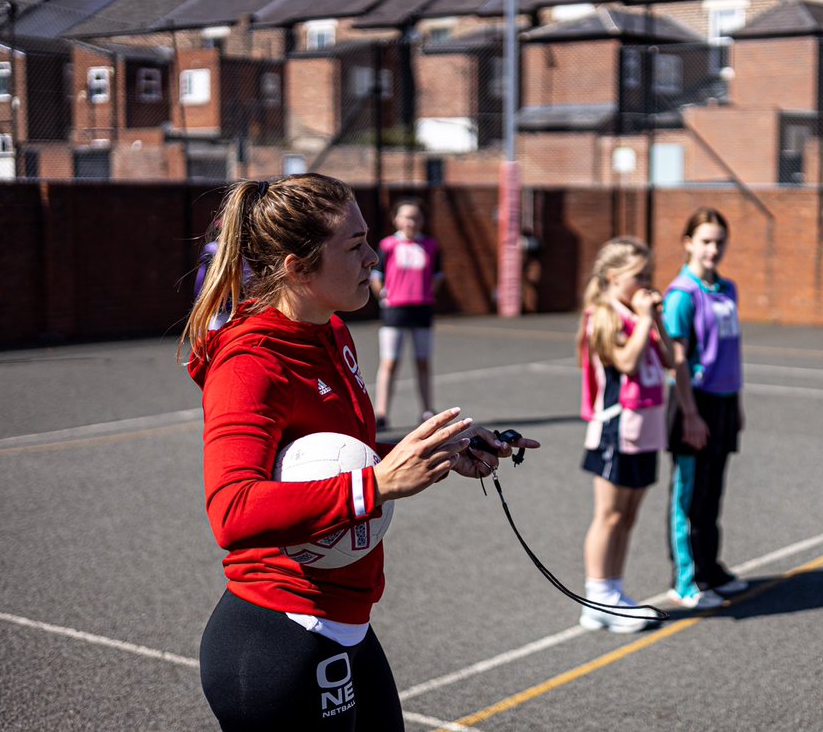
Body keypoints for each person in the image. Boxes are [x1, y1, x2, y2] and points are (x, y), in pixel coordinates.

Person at [180, 175, 536, 731]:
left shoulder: (333, 331)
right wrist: (378, 484)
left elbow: (342, 452)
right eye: (354, 246)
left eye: (369, 239)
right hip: (280, 632)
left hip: (345, 623)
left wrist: (437, 450)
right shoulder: (251, 366)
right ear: (298, 267)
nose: (374, 256)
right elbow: (233, 510)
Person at [577, 237, 675, 633]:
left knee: (629, 516)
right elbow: (626, 362)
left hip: (646, 430)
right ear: (615, 277)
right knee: (609, 515)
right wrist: (646, 319)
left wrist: (657, 320)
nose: (649, 282)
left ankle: (613, 592)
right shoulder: (602, 314)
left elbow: (670, 359)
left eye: (651, 274)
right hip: (616, 429)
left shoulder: (638, 313)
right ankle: (596, 596)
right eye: (641, 276)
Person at [663, 207, 750, 610]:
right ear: (689, 243)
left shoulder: (727, 289)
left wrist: (737, 402)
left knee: (713, 492)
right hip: (692, 404)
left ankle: (710, 568)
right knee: (689, 495)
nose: (713, 249)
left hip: (724, 403)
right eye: (706, 241)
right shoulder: (681, 294)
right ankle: (685, 580)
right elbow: (677, 360)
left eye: (719, 241)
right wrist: (691, 413)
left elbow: (729, 353)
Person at [370, 199, 443, 431]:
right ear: (397, 219)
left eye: (416, 217)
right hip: (395, 311)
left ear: (422, 220)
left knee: (423, 362)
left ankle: (427, 409)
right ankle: (381, 413)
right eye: (407, 217)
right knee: (390, 362)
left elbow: (437, 276)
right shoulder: (388, 245)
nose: (411, 222)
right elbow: (376, 276)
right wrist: (384, 297)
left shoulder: (431, 246)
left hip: (421, 310)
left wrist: (425, 292)